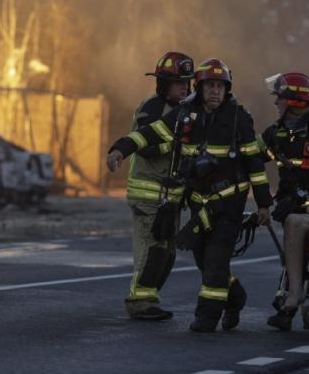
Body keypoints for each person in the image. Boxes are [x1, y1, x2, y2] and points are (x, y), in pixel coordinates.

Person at [107, 58, 273, 332]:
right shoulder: (185, 114)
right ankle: (235, 298)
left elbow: (255, 165)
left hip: (229, 204)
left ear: (227, 89)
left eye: (220, 86)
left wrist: (264, 205)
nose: (215, 91)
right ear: (200, 87)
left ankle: (207, 318)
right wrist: (119, 150)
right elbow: (150, 133)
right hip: (199, 205)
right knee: (204, 259)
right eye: (210, 86)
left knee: (217, 258)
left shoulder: (238, 118)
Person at [259, 72, 309, 331]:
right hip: (294, 208)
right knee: (293, 221)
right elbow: (251, 158)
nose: (276, 103)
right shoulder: (276, 132)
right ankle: (294, 296)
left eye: (280, 98)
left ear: (295, 101)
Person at [122, 51, 195, 321]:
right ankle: (139, 302)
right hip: (148, 195)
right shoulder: (152, 107)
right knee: (151, 250)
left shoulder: (187, 112)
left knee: (166, 254)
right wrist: (177, 141)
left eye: (188, 83)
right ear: (163, 84)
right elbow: (147, 147)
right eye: (179, 83)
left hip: (171, 198)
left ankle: (149, 299)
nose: (185, 88)